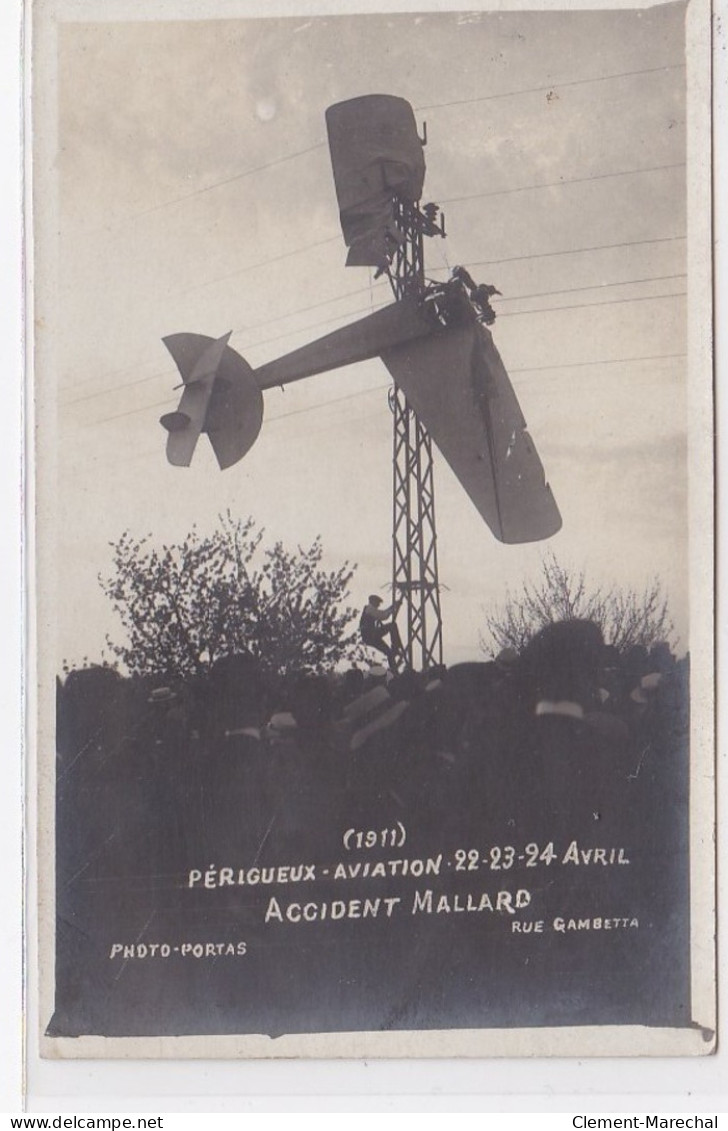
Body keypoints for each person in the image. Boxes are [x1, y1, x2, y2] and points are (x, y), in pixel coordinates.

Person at [359, 595, 403, 672]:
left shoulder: (370, 610)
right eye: (378, 603)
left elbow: (382, 614)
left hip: (370, 637)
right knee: (392, 626)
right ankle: (395, 647)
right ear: (373, 602)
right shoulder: (370, 609)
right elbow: (383, 615)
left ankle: (394, 671)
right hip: (371, 635)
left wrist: (392, 607)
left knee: (389, 653)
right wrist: (393, 606)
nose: (378, 605)